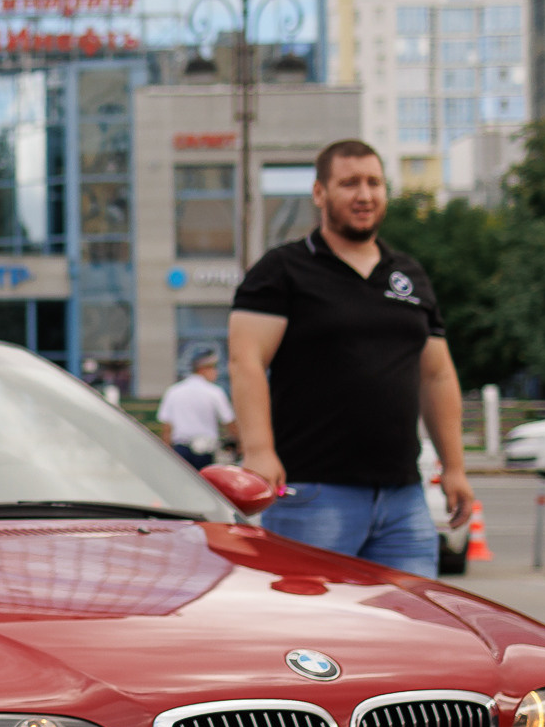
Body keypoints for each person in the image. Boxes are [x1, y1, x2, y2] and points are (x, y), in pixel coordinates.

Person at [227, 139, 476, 578]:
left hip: (403, 497)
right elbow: (245, 359)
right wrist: (260, 451)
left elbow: (437, 376)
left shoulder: (408, 274)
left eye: (374, 183)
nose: (364, 195)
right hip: (314, 493)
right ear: (320, 193)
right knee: (314, 636)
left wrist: (453, 467)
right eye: (349, 184)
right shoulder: (282, 271)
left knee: (412, 633)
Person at [156, 348, 235, 470]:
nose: (216, 373)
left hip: (181, 450)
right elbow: (228, 421)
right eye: (213, 368)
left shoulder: (174, 391)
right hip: (205, 451)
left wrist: (167, 452)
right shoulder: (214, 392)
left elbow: (167, 427)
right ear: (203, 369)